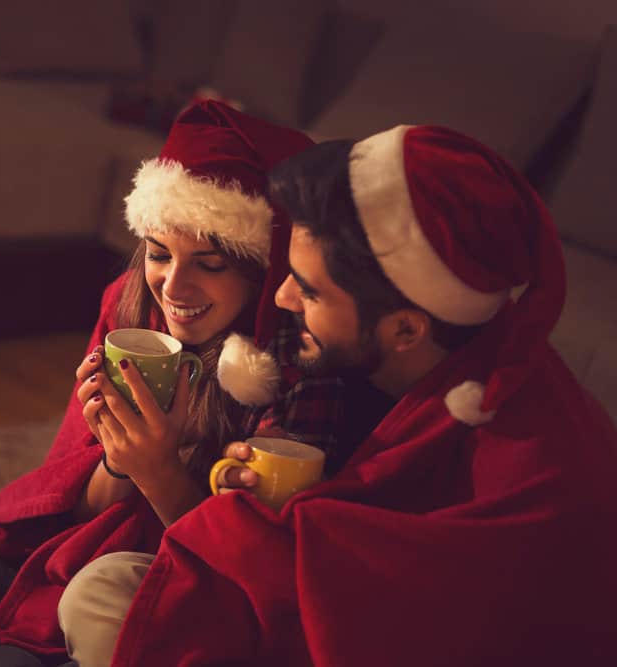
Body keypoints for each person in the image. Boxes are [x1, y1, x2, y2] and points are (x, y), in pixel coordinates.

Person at [57, 125, 617, 666]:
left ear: (404, 330)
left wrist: (181, 491)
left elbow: (359, 614)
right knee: (104, 587)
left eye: (307, 289)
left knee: (112, 602)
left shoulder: (531, 465)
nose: (280, 296)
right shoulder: (406, 370)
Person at [0, 101, 362, 665]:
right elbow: (83, 512)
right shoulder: (132, 314)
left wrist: (161, 472)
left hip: (191, 586)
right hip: (95, 541)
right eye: (158, 253)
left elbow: (258, 580)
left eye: (210, 263)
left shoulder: (294, 366)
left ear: (260, 270)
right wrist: (120, 459)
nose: (174, 285)